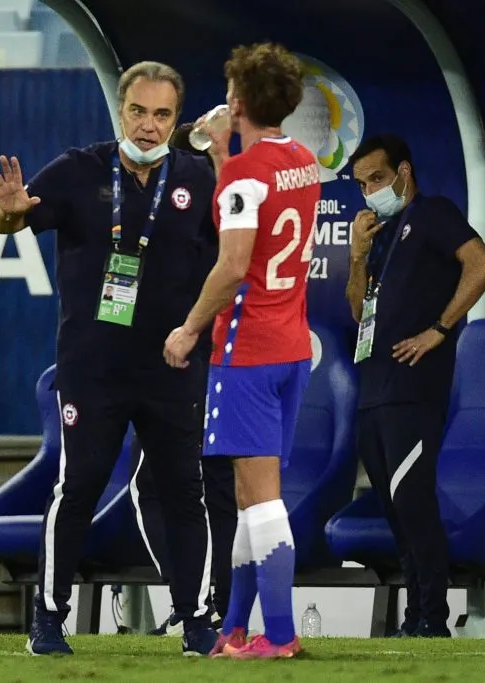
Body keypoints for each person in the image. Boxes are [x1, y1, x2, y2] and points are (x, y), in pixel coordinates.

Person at [0, 60, 220, 657]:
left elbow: (222, 266)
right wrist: (7, 209)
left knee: (185, 492)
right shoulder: (77, 169)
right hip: (93, 366)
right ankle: (48, 620)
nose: (147, 126)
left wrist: (197, 334)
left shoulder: (198, 176)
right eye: (138, 112)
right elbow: (7, 221)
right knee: (78, 484)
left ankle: (196, 622)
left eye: (162, 114)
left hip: (174, 366)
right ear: (121, 109)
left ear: (175, 118)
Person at [164, 41, 319, 660]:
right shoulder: (303, 160)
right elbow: (261, 197)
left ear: (236, 100)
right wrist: (227, 150)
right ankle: (235, 627)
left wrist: (188, 329)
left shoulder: (241, 177)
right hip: (291, 349)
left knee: (262, 498)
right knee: (249, 495)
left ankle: (278, 635)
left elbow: (231, 267)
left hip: (245, 350)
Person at [344, 133, 485, 638]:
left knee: (414, 504)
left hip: (413, 389)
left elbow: (483, 265)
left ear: (403, 172)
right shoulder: (382, 237)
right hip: (373, 388)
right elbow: (357, 313)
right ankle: (415, 618)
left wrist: (439, 329)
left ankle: (431, 619)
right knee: (395, 511)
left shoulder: (432, 213)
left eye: (378, 179)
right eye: (362, 184)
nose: (371, 191)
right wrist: (356, 256)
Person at [127, 121, 238, 637]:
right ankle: (196, 599)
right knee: (163, 484)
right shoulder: (160, 219)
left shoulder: (218, 213)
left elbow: (232, 268)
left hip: (206, 359)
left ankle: (205, 602)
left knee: (197, 484)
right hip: (171, 364)